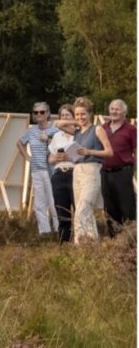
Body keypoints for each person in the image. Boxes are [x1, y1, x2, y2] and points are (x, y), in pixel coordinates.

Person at [56, 97, 113, 244]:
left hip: (92, 171)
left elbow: (109, 152)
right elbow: (57, 123)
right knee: (84, 213)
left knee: (82, 210)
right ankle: (89, 245)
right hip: (77, 172)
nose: (80, 117)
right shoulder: (76, 132)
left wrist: (89, 151)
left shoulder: (98, 129)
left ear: (90, 114)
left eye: (83, 114)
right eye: (77, 114)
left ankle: (80, 244)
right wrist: (76, 121)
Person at [15, 102, 58, 236]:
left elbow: (60, 147)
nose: (39, 114)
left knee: (53, 201)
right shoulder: (32, 130)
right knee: (39, 203)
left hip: (51, 170)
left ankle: (59, 230)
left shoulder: (55, 129)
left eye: (42, 112)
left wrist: (48, 140)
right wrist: (28, 157)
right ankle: (44, 232)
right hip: (36, 170)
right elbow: (19, 143)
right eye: (36, 112)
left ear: (48, 113)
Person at [100, 99, 136, 235]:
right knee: (109, 208)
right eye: (112, 109)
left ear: (124, 112)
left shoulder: (131, 129)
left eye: (117, 109)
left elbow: (136, 151)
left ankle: (130, 238)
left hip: (123, 173)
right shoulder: (103, 128)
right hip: (105, 173)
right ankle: (113, 239)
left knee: (127, 207)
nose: (114, 111)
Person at [47, 105, 77, 244]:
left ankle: (80, 240)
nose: (64, 118)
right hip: (59, 174)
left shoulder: (78, 133)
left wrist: (68, 156)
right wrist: (57, 158)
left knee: (79, 208)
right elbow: (50, 159)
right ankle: (64, 241)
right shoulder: (56, 136)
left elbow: (82, 155)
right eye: (62, 116)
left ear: (73, 117)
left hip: (75, 173)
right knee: (61, 210)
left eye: (67, 115)